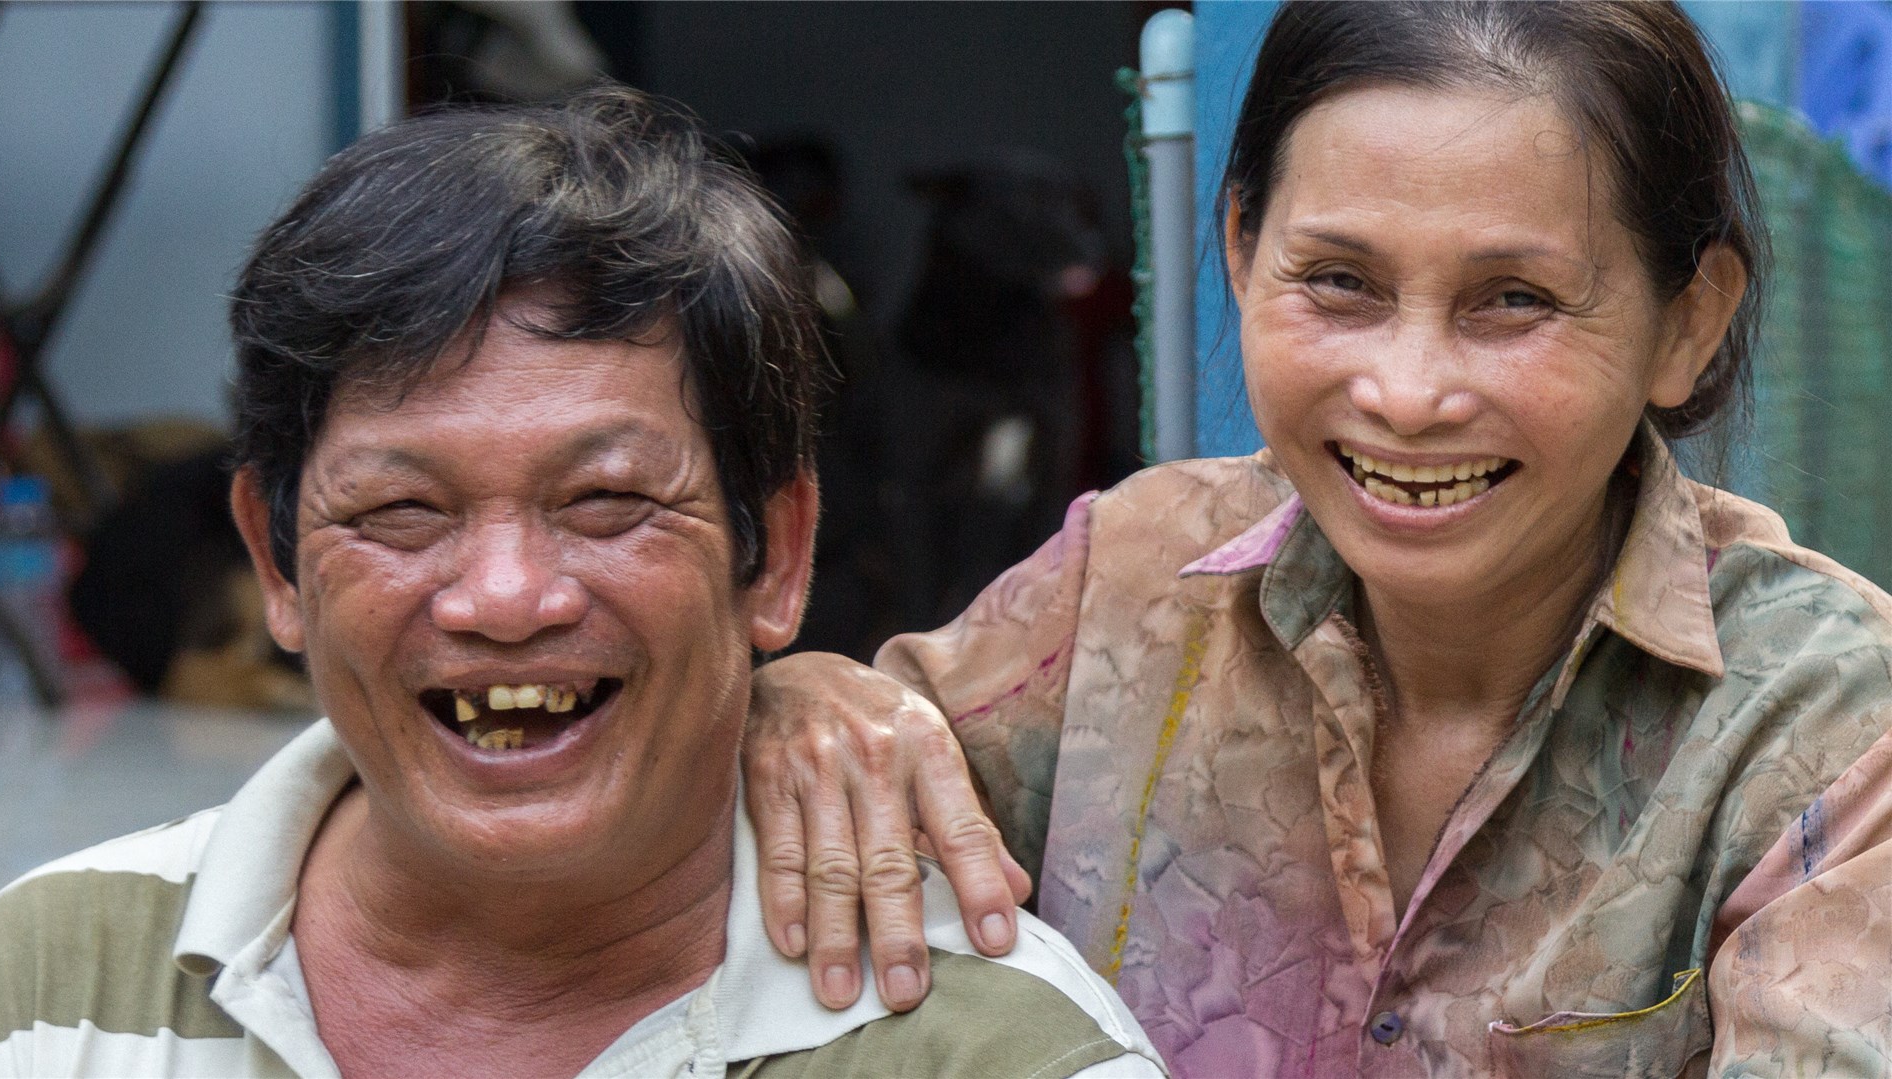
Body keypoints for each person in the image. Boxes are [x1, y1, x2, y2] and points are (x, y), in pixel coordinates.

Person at [740, 3, 1892, 1075]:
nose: (1406, 391)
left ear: (1687, 322)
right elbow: (845, 784)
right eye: (1340, 281)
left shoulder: (1830, 731)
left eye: (1515, 300)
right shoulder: (1132, 577)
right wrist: (799, 704)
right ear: (1243, 252)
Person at [0, 86, 1165, 1079]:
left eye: (607, 504)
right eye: (401, 511)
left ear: (778, 552)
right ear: (276, 557)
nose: (503, 596)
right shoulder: (46, 987)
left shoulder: (997, 1054)